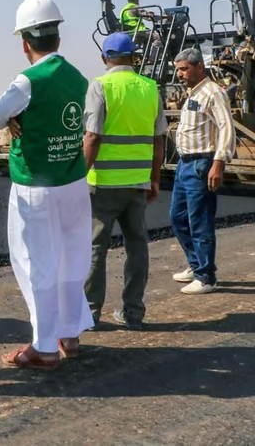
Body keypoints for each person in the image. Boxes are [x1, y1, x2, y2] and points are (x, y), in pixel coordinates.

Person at [0, 0, 93, 369]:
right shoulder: (79, 78)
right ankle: (70, 335)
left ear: (25, 43)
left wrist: (12, 120)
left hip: (37, 188)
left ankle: (44, 346)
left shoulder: (27, 81)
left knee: (37, 264)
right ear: (58, 37)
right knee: (73, 259)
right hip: (74, 183)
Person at [83, 33, 166, 330]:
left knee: (96, 248)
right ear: (134, 56)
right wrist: (154, 179)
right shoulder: (150, 88)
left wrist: (79, 176)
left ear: (104, 57)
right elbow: (158, 140)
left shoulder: (100, 86)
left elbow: (92, 136)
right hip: (137, 184)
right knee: (137, 247)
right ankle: (133, 314)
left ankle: (90, 314)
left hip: (103, 184)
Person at [169, 47, 235, 294]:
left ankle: (206, 277)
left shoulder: (212, 93)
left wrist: (218, 163)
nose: (180, 74)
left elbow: (226, 127)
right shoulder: (192, 94)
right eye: (178, 70)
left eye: (184, 69)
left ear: (199, 67)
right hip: (184, 164)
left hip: (201, 164)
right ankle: (196, 264)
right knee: (177, 218)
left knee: (200, 221)